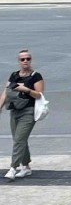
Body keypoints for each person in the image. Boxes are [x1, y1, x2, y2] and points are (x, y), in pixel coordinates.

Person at [0, 50, 44, 181]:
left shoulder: (36, 76)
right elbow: (6, 92)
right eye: (23, 59)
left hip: (29, 111)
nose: (26, 61)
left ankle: (13, 168)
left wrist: (27, 90)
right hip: (15, 110)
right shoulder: (14, 75)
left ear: (31, 60)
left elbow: (39, 95)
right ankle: (26, 167)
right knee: (19, 139)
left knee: (19, 139)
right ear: (18, 61)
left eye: (28, 59)